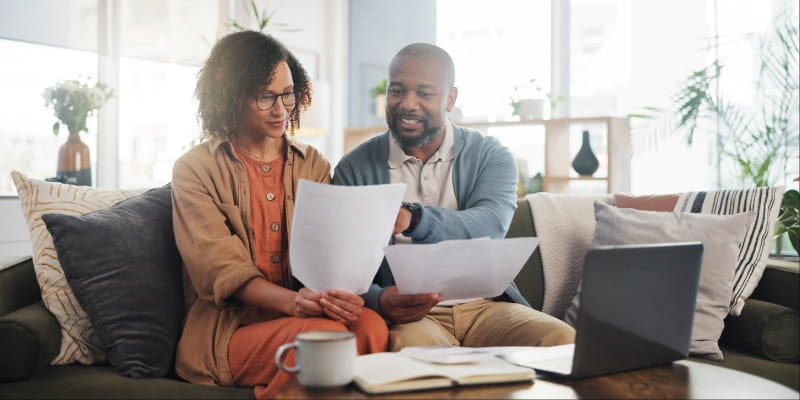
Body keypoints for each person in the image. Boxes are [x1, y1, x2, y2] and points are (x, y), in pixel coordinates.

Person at [171, 31, 388, 398]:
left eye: (288, 93)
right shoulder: (195, 169)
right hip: (228, 331)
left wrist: (335, 294)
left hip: (305, 313)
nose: (281, 109)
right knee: (327, 341)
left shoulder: (313, 163)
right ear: (231, 97)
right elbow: (219, 269)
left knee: (372, 328)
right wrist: (293, 303)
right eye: (265, 97)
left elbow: (330, 251)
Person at [333, 43, 574, 351]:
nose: (408, 103)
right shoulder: (354, 168)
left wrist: (415, 218)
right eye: (397, 91)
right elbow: (343, 266)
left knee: (561, 339)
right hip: (413, 318)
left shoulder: (490, 155)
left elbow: (489, 226)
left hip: (487, 307)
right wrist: (379, 299)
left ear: (450, 98)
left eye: (425, 93)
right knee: (412, 354)